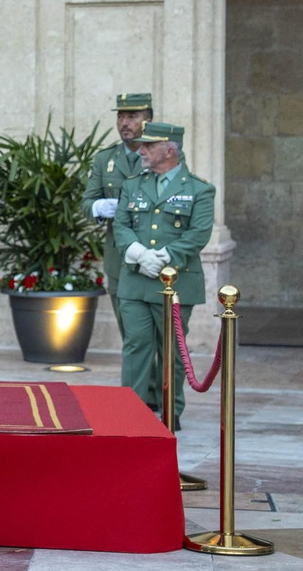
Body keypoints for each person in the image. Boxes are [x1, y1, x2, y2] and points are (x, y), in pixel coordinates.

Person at [112, 121, 215, 427]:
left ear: (169, 149)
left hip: (176, 282)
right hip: (135, 280)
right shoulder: (132, 184)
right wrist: (138, 254)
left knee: (171, 349)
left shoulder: (199, 189)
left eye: (149, 146)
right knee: (136, 344)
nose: (141, 150)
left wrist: (166, 257)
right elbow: (121, 224)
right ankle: (130, 412)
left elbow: (199, 233)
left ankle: (172, 412)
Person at [82, 93, 151, 329]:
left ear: (148, 120)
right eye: (121, 116)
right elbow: (86, 203)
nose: (124, 123)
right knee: (128, 332)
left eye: (132, 116)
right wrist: (100, 207)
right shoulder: (105, 158)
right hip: (118, 257)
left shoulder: (160, 154)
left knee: (153, 334)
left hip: (151, 253)